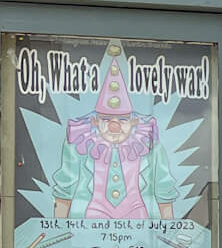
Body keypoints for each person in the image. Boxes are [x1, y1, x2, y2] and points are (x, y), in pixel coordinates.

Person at [51, 40, 179, 220]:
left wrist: (169, 234)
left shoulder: (149, 145)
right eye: (105, 119)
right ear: (95, 121)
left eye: (122, 119)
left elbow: (163, 189)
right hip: (91, 220)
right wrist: (59, 233)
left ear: (134, 121)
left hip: (138, 218)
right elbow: (65, 190)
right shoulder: (80, 145)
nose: (114, 126)